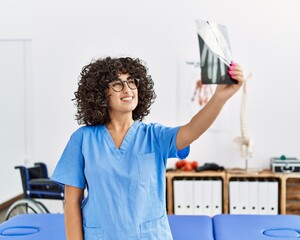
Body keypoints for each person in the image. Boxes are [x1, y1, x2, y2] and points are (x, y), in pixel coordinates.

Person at [51, 56, 244, 240]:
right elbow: (72, 202)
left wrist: (219, 97)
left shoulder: (154, 136)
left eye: (131, 82)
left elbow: (192, 129)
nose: (127, 89)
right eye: (117, 84)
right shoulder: (83, 139)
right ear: (101, 93)